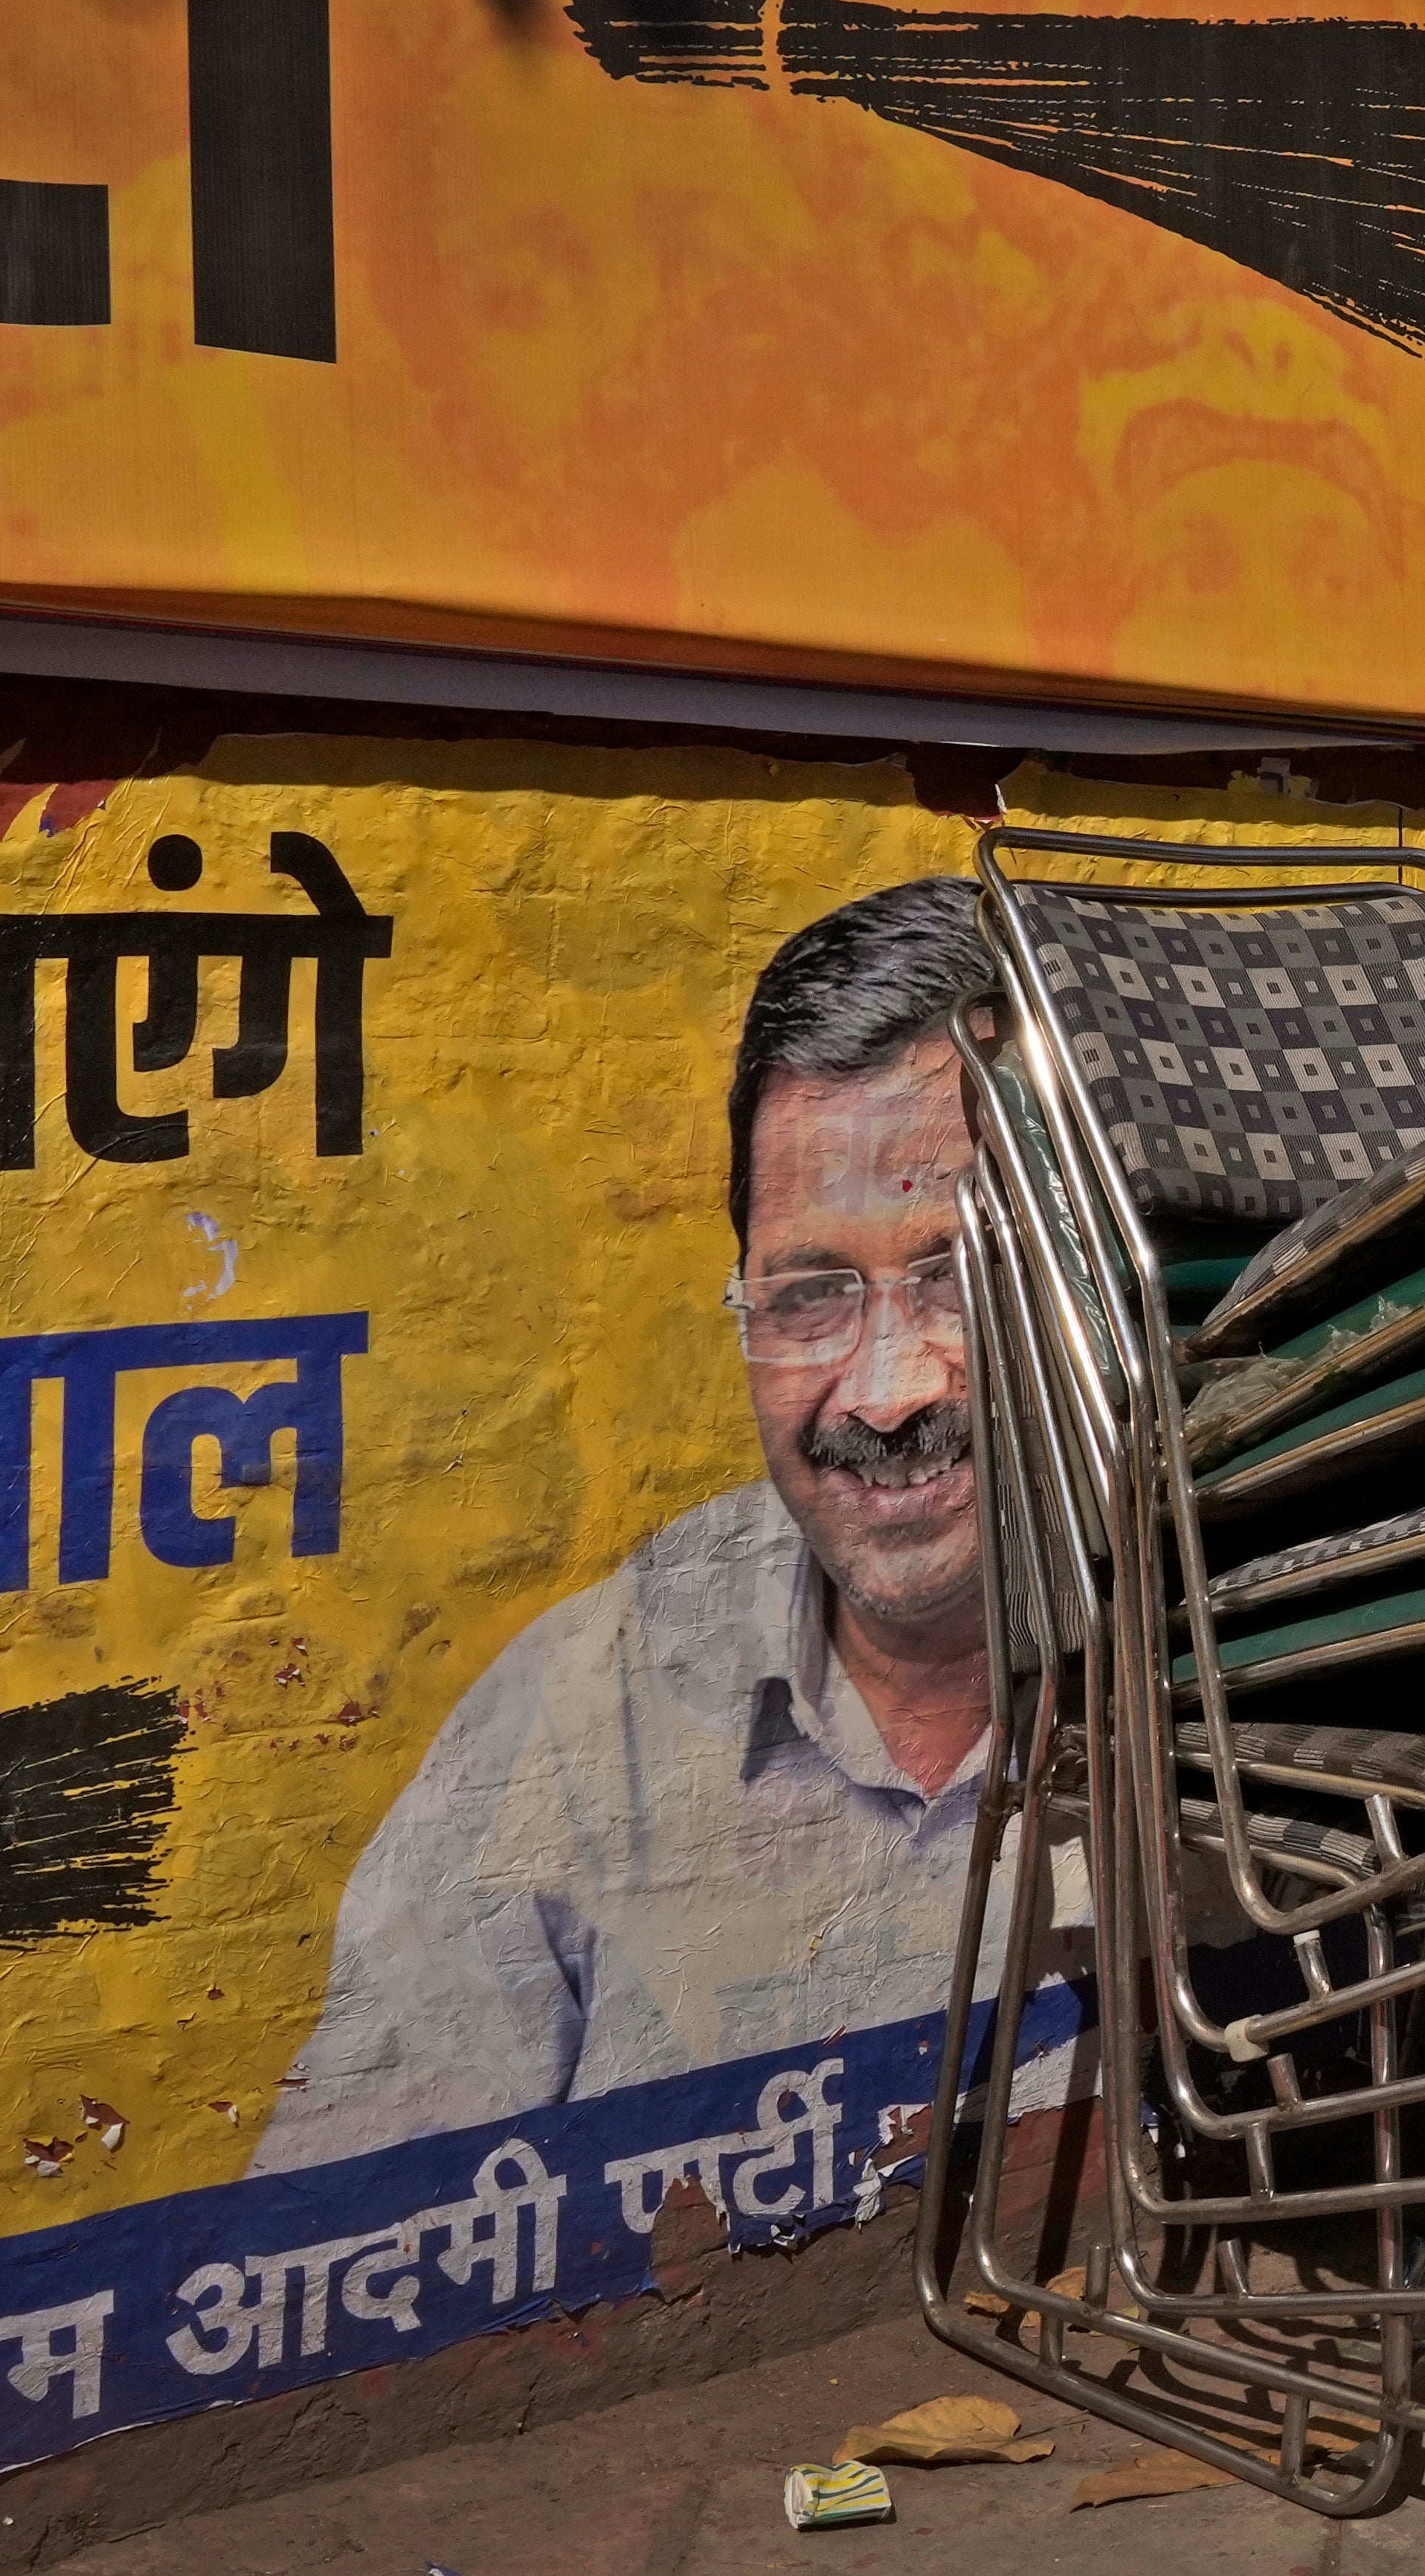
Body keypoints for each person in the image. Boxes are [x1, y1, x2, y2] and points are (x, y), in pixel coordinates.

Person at [255, 882, 1012, 2168]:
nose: (889, 1393)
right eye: (810, 1294)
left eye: (958, 1280)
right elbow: (327, 2258)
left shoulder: (1280, 1668)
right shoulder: (585, 1707)